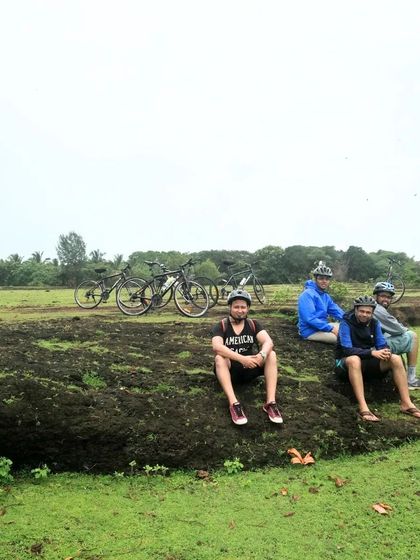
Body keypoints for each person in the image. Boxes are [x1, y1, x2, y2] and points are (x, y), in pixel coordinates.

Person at [335, 295, 420, 422]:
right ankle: (363, 407)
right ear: (356, 310)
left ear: (372, 313)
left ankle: (406, 403)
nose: (364, 315)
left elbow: (381, 344)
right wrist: (372, 352)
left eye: (368, 312)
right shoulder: (345, 323)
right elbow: (347, 350)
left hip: (367, 363)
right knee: (354, 359)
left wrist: (385, 351)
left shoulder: (374, 323)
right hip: (345, 364)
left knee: (395, 358)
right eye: (361, 311)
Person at [211, 289, 283, 425]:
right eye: (236, 307)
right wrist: (242, 358)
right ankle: (234, 404)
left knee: (271, 354)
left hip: (250, 367)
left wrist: (261, 354)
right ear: (230, 308)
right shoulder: (221, 325)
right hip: (231, 371)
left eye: (243, 307)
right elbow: (217, 347)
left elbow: (268, 342)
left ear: (248, 308)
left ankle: (270, 403)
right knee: (219, 358)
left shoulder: (253, 324)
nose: (240, 310)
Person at [372, 281, 420, 390]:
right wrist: (404, 329)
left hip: (371, 342)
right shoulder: (378, 310)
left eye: (389, 297)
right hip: (373, 347)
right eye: (383, 296)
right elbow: (398, 329)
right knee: (412, 336)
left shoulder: (374, 307)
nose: (386, 299)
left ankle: (404, 374)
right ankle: (411, 379)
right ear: (376, 296)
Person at [297, 263, 344, 344]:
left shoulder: (325, 296)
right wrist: (330, 329)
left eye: (327, 279)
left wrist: (350, 320)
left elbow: (336, 311)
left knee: (348, 329)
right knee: (342, 338)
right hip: (310, 331)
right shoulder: (307, 295)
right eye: (321, 278)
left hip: (322, 327)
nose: (324, 281)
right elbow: (309, 318)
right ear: (315, 279)